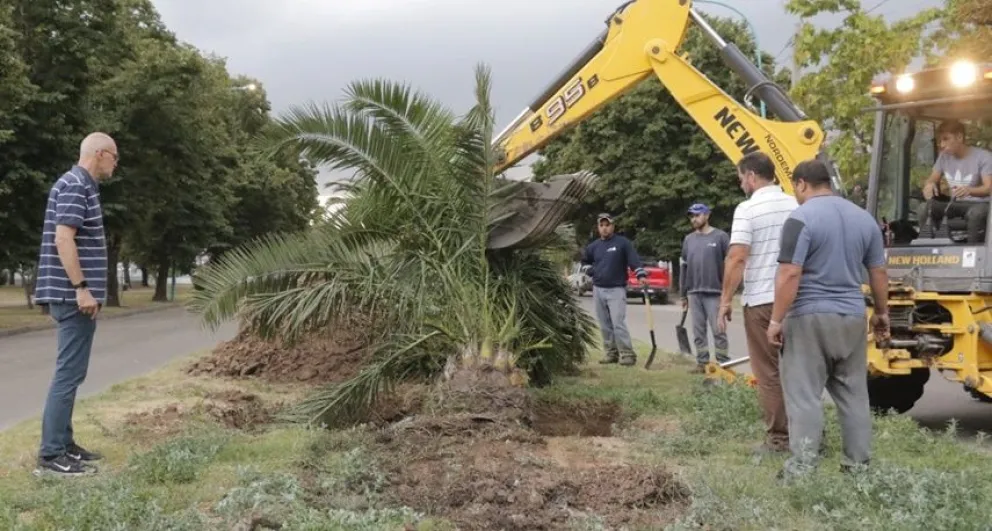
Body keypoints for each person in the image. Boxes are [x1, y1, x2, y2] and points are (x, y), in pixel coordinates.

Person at [767, 159, 889, 478]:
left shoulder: (800, 218)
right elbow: (878, 272)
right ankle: (858, 468)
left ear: (802, 184)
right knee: (854, 396)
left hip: (809, 317)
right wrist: (882, 313)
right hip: (852, 316)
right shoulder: (865, 219)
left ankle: (802, 469)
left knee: (804, 395)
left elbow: (790, 272)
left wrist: (776, 320)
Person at [33, 132, 119, 476]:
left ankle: (65, 444)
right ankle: (52, 454)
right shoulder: (75, 185)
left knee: (73, 372)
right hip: (72, 297)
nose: (116, 164)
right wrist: (81, 288)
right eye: (114, 157)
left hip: (74, 296)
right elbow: (63, 238)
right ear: (99, 153)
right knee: (68, 374)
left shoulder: (82, 185)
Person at [717, 151, 797, 454]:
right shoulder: (795, 205)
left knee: (768, 373)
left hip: (762, 301)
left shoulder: (747, 209)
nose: (741, 185)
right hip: (796, 301)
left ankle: (779, 439)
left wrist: (725, 300)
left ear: (751, 176)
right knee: (800, 371)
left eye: (741, 179)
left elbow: (737, 257)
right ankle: (809, 435)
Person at [581, 213, 648, 366]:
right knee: (604, 324)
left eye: (607, 225)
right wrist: (591, 271)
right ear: (598, 228)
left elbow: (634, 261)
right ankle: (611, 353)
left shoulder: (623, 243)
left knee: (618, 323)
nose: (604, 228)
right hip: (598, 289)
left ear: (613, 226)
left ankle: (627, 354)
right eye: (601, 225)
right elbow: (584, 262)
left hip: (616, 289)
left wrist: (641, 275)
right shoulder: (593, 246)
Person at [917, 120, 992, 243]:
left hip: (981, 205)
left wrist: (969, 190)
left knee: (976, 213)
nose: (942, 144)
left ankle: (971, 251)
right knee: (924, 208)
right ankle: (931, 247)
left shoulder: (984, 157)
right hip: (956, 204)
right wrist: (929, 185)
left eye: (946, 139)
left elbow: (988, 188)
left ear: (959, 137)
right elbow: (932, 178)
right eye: (940, 141)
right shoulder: (944, 157)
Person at [679, 203, 730, 373]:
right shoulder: (688, 239)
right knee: (698, 331)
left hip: (715, 292)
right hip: (694, 292)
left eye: (697, 215)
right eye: (692, 216)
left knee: (718, 330)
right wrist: (683, 294)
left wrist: (727, 294)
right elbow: (684, 267)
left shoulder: (721, 237)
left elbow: (730, 265)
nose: (694, 219)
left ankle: (723, 364)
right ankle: (702, 363)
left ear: (707, 215)